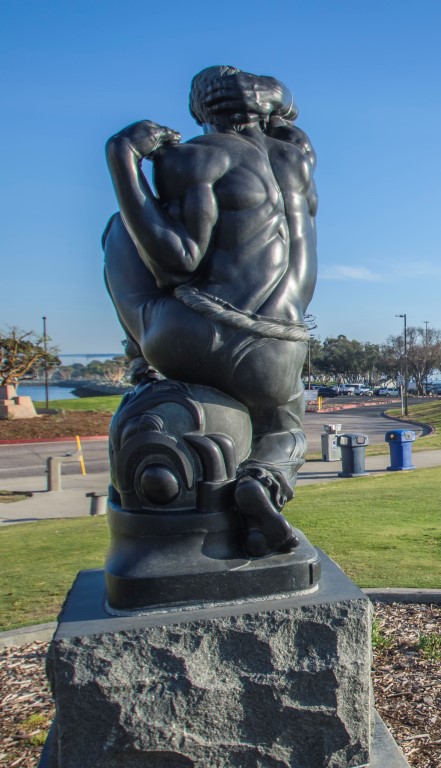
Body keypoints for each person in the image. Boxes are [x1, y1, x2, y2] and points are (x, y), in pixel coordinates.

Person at [103, 66, 318, 556]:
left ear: (199, 111)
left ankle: (140, 364)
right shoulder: (299, 161)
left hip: (196, 334)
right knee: (285, 429)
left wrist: (124, 159)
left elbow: (177, 262)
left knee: (121, 227)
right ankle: (262, 481)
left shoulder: (197, 156)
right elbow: (290, 124)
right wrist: (274, 99)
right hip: (280, 347)